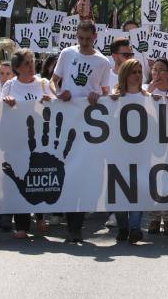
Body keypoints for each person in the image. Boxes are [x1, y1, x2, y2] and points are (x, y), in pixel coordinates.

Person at [51, 20, 111, 243]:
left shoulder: (102, 62)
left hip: (89, 124)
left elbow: (107, 91)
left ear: (95, 37)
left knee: (83, 171)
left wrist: (99, 96)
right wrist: (59, 93)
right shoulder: (67, 54)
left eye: (88, 39)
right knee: (67, 170)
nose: (84, 43)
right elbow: (53, 81)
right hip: (67, 120)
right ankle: (71, 224)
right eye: (81, 38)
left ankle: (77, 224)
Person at [1, 48, 55, 238]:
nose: (31, 66)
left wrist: (51, 101)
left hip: (40, 141)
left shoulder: (44, 83)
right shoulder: (9, 86)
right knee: (20, 178)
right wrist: (6, 103)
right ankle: (22, 225)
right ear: (17, 68)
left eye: (32, 62)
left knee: (38, 177)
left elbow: (59, 108)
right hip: (17, 142)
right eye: (26, 63)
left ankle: (40, 216)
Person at [108, 58, 150, 244]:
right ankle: (123, 226)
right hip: (118, 152)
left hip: (141, 151)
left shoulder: (148, 97)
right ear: (125, 74)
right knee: (119, 189)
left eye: (140, 72)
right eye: (134, 72)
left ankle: (135, 227)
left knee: (137, 189)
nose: (138, 75)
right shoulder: (113, 98)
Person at [145, 58, 168, 235]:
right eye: (154, 70)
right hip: (151, 140)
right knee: (154, 178)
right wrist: (149, 91)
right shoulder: (145, 89)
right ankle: (154, 217)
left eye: (161, 70)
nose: (157, 73)